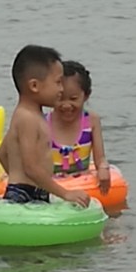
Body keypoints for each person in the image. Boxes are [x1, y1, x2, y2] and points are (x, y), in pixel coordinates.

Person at [0, 45, 90, 206]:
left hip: (32, 189)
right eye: (58, 82)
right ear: (34, 86)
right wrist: (65, 193)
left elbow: (2, 153)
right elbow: (30, 167)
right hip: (24, 194)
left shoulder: (32, 114)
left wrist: (17, 178)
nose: (61, 89)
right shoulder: (27, 118)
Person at [47, 60, 110, 194]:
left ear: (86, 96)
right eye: (60, 98)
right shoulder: (42, 123)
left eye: (73, 98)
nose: (66, 105)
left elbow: (100, 158)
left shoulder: (91, 121)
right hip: (52, 186)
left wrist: (103, 169)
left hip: (82, 184)